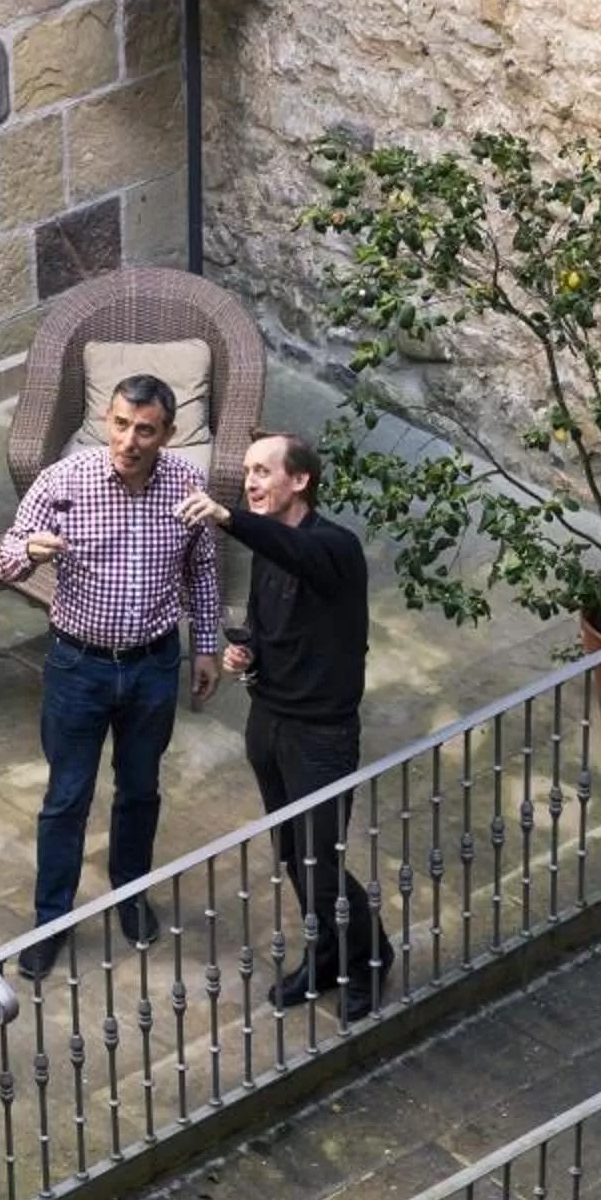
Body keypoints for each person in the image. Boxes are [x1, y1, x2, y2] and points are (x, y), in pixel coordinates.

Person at [0, 373, 222, 975]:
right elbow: (8, 557)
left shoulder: (185, 484)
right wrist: (30, 554)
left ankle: (130, 894)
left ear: (167, 435)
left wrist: (205, 646)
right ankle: (53, 921)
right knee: (66, 798)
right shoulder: (64, 480)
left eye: (144, 430)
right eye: (120, 424)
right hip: (78, 667)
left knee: (140, 789)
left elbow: (201, 568)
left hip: (153, 666)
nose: (128, 440)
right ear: (107, 420)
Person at [177, 432, 389, 1023]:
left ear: (300, 480)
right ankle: (324, 959)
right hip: (269, 722)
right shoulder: (271, 552)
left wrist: (226, 517)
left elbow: (299, 556)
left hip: (320, 736)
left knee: (322, 864)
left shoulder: (335, 548)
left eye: (263, 472)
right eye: (246, 472)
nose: (250, 482)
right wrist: (246, 655)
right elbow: (268, 624)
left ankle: (368, 958)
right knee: (295, 857)